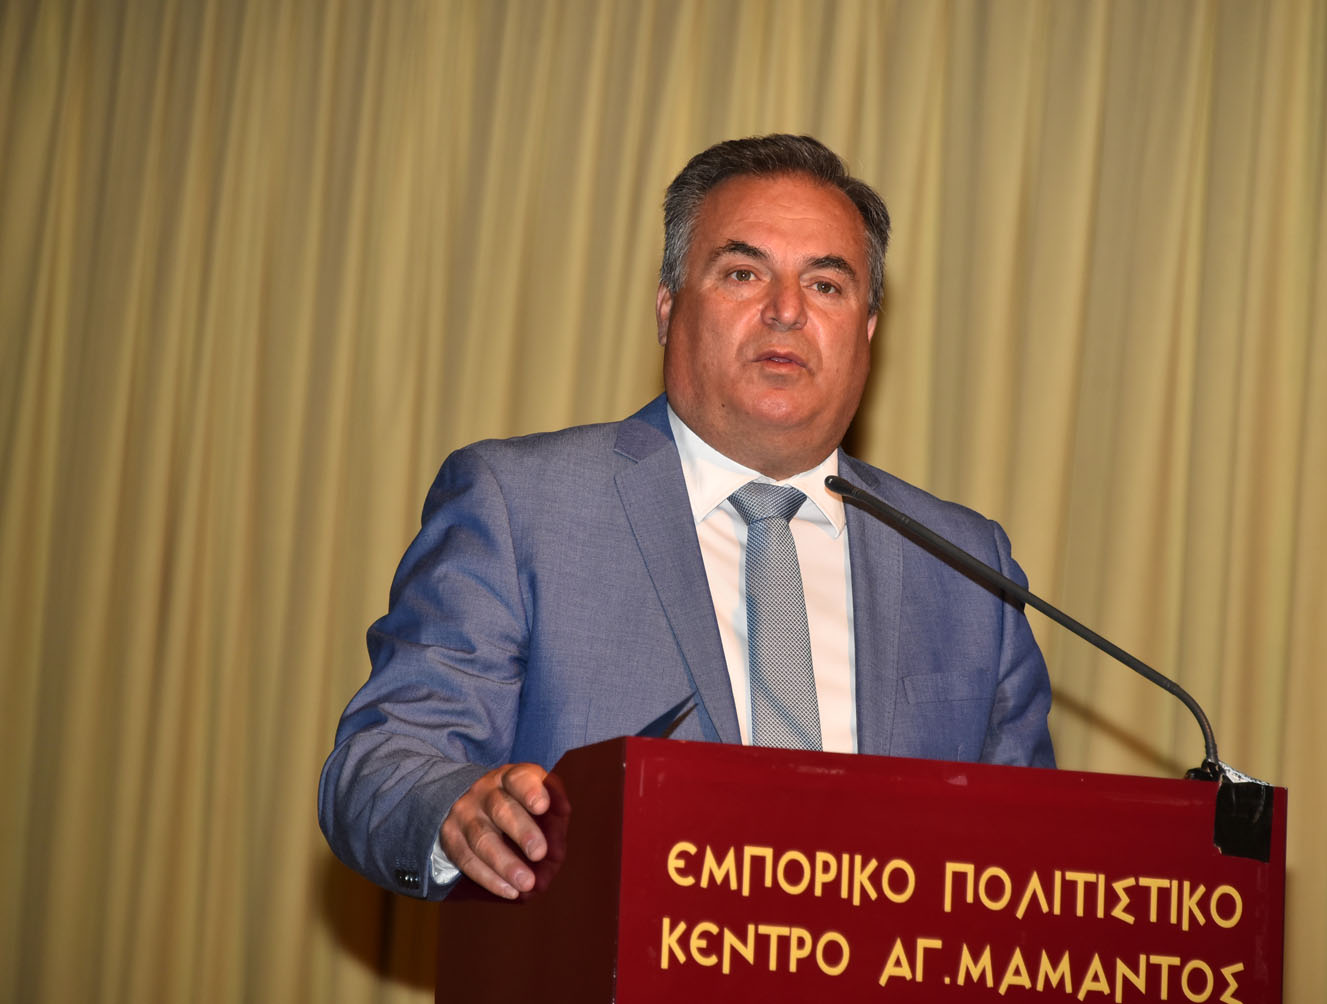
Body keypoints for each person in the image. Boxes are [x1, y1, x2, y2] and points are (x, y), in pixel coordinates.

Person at [318, 134, 1053, 903]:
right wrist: (456, 810)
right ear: (668, 309)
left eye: (827, 285)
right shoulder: (521, 506)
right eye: (743, 273)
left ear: (867, 332)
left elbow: (1033, 853)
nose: (787, 311)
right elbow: (383, 763)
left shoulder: (965, 566)